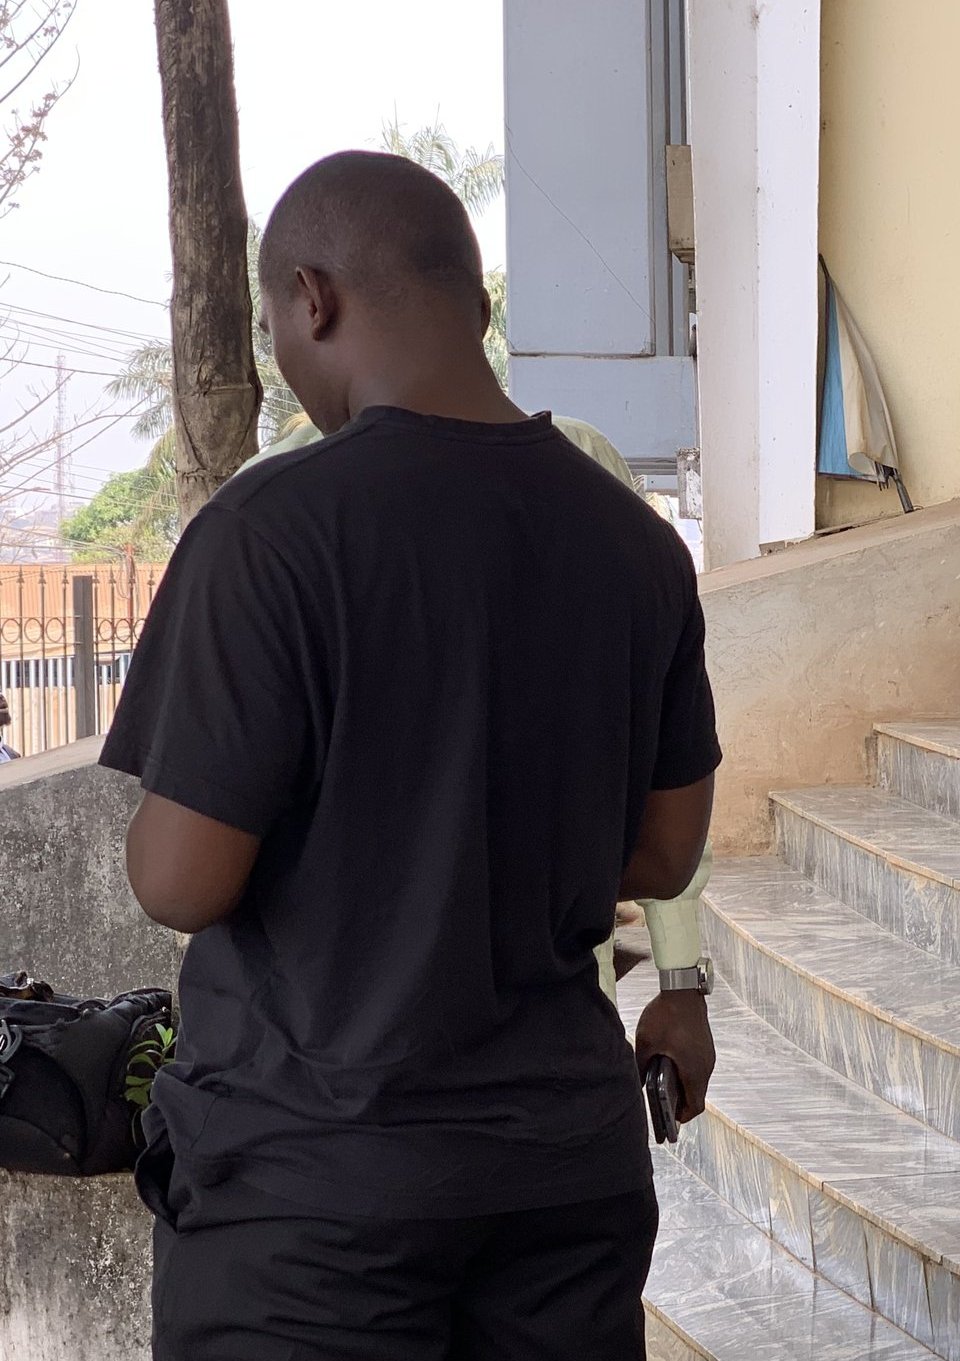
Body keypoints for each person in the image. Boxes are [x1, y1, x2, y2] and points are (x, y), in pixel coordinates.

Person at [99, 151, 720, 1359]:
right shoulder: (636, 547)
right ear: (474, 307)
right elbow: (662, 846)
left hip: (315, 1199)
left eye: (279, 321)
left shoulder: (268, 536)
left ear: (311, 299)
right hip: (562, 1185)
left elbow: (181, 880)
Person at [244, 412, 712, 998]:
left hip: (341, 1033)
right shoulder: (591, 482)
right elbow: (668, 848)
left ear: (316, 315)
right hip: (542, 1025)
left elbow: (181, 879)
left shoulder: (260, 509)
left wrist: (680, 980)